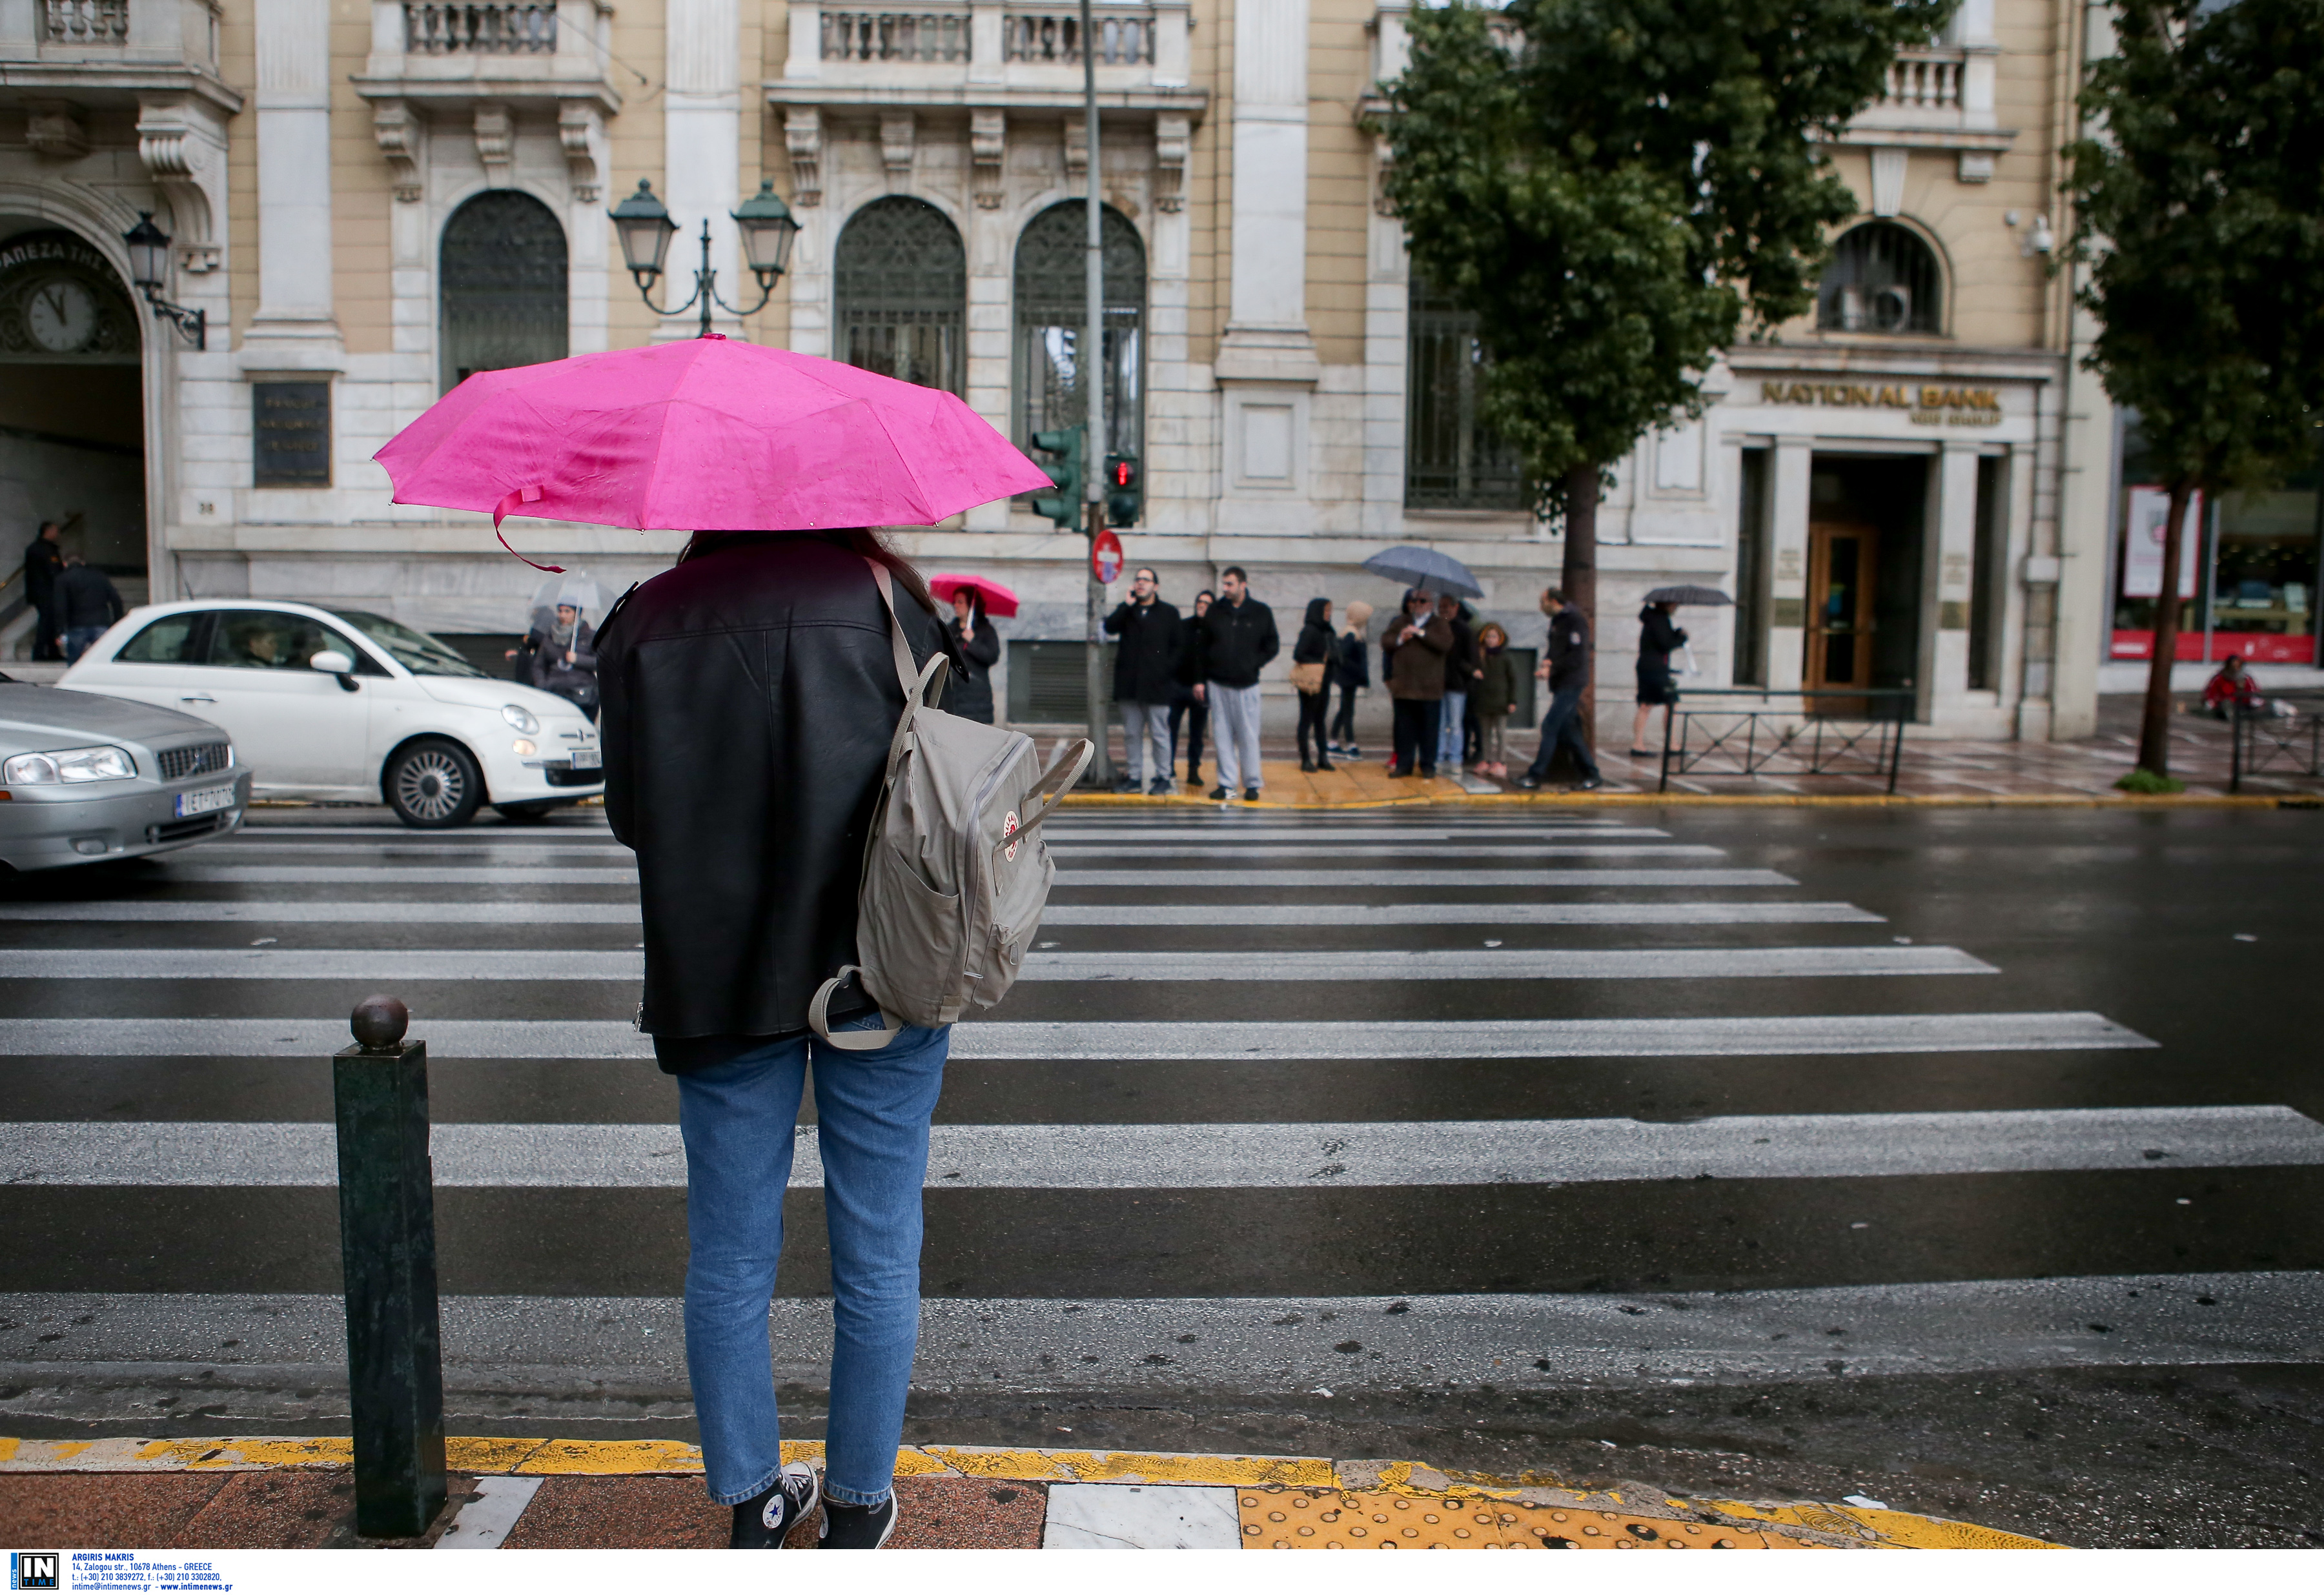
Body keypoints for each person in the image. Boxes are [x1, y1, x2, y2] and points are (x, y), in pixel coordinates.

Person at [596, 527, 963, 1552]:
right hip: (879, 967)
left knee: (727, 1254)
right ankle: (856, 1503)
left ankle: (755, 1500)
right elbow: (959, 788)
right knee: (881, 1244)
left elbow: (632, 815)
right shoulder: (891, 602)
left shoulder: (647, 618)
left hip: (713, 974)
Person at [1195, 566, 1277, 801]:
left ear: (1243, 584)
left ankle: (1252, 784)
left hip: (1247, 683)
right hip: (1218, 682)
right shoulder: (1215, 611)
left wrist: (1254, 663)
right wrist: (1200, 680)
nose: (1225, 589)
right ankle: (1226, 783)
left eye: (1230, 584)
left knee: (1248, 736)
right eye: (1224, 584)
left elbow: (1272, 645)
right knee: (1222, 736)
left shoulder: (1260, 612)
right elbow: (1202, 649)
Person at [1103, 567, 1182, 794]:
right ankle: (1135, 777)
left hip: (1158, 686)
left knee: (1160, 734)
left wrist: (1166, 670)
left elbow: (1179, 647)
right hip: (1130, 685)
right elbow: (1109, 627)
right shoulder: (1128, 612)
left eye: (1146, 580)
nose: (1140, 584)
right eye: (1138, 580)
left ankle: (1164, 776)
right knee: (1131, 734)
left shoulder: (1168, 613)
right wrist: (1125, 605)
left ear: (1155, 586)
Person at [1518, 587, 1603, 790]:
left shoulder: (1574, 620)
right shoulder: (1559, 620)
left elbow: (1577, 656)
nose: (1541, 607)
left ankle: (1535, 776)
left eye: (1542, 602)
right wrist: (1548, 662)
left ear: (1554, 601)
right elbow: (1556, 649)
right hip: (1561, 681)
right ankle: (1592, 774)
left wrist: (1552, 667)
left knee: (1550, 726)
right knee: (1570, 731)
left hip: (1571, 682)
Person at [1380, 587, 1449, 778]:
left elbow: (1445, 644)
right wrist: (1401, 638)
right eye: (1415, 600)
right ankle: (1404, 765)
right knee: (1404, 730)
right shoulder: (1401, 621)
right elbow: (1386, 641)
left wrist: (1420, 633)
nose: (1417, 604)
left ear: (1430, 605)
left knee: (1429, 730)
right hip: (1404, 687)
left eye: (1422, 601)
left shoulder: (1439, 623)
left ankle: (1428, 766)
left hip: (1429, 688)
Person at [513, 602, 600, 719]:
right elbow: (538, 665)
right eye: (560, 611)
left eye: (567, 611)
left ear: (577, 614)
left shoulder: (590, 636)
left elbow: (599, 662)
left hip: (582, 694)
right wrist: (543, 685)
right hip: (555, 693)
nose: (563, 615)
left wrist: (578, 659)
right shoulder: (550, 636)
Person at [1631, 600, 1687, 755]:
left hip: (1649, 667)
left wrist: (1676, 633)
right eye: (1674, 604)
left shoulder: (1653, 618)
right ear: (1667, 604)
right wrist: (1682, 640)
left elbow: (1662, 639)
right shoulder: (1660, 619)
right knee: (1670, 702)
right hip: (1655, 668)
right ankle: (1670, 745)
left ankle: (1639, 744)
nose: (1676, 607)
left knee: (1647, 705)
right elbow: (1665, 644)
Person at [1170, 589, 1212, 789]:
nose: (1202, 605)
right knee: (1171, 729)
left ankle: (1193, 770)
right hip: (1178, 686)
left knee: (1197, 734)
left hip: (1202, 689)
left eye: (1206, 603)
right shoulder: (1183, 626)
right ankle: (1167, 768)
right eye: (1199, 601)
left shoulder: (1214, 631)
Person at [941, 585, 1001, 724]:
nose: (955, 605)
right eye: (955, 602)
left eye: (960, 602)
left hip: (976, 698)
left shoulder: (985, 630)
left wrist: (972, 642)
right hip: (953, 695)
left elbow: (992, 656)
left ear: (971, 606)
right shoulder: (950, 630)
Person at [1291, 596, 1335, 773]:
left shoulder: (1328, 630)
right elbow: (1299, 654)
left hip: (1324, 682)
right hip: (1310, 683)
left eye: (1330, 611)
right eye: (1325, 611)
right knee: (1307, 720)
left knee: (1320, 721)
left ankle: (1323, 757)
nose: (1328, 614)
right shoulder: (1309, 630)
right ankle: (1306, 758)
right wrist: (1318, 662)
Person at [54, 553, 124, 663]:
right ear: (83, 563)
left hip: (77, 624)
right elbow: (116, 600)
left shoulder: (63, 579)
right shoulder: (99, 576)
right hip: (101, 622)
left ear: (65, 564)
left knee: (75, 663)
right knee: (102, 660)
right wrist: (117, 622)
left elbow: (60, 606)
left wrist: (60, 630)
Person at [1471, 621, 1519, 779]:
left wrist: (1512, 701)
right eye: (1488, 637)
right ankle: (1486, 759)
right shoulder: (1480, 657)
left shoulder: (1506, 658)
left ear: (1500, 639)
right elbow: (1465, 665)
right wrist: (1473, 671)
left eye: (1494, 637)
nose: (1491, 640)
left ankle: (1501, 762)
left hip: (1501, 701)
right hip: (1484, 701)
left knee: (1500, 732)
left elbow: (1513, 680)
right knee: (1484, 733)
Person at [1434, 592, 1475, 773]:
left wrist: (1464, 674)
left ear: (1455, 608)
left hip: (1457, 684)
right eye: (1441, 607)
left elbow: (1471, 657)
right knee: (1440, 723)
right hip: (1438, 682)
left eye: (1447, 607)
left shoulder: (1464, 629)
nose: (1443, 610)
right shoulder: (1436, 626)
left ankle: (1455, 757)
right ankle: (1440, 754)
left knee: (1456, 724)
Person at [1328, 599, 1371, 758]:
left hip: (1348, 678)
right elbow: (1344, 656)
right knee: (1348, 711)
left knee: (1345, 709)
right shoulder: (1351, 634)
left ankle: (1333, 742)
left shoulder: (1350, 632)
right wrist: (1357, 671)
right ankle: (1351, 744)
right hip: (1349, 678)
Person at [22, 521, 63, 662]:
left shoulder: (36, 548)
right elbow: (54, 571)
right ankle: (40, 652)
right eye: (55, 531)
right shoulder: (45, 550)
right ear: (48, 531)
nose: (57, 534)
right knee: (46, 622)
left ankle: (52, 651)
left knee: (49, 622)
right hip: (46, 592)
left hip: (40, 591)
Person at [2203, 654, 2263, 718]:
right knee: (2224, 704)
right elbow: (2210, 692)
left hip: (2242, 704)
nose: (2236, 667)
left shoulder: (2246, 678)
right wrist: (2212, 702)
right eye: (2233, 665)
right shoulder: (2219, 678)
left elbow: (2254, 692)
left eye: (2238, 665)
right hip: (2224, 704)